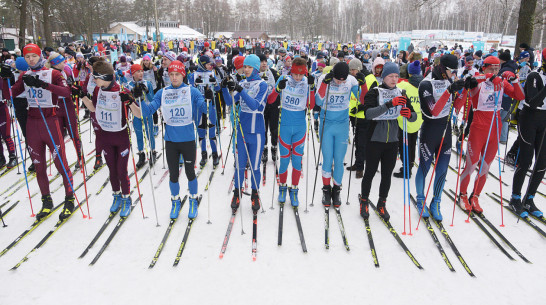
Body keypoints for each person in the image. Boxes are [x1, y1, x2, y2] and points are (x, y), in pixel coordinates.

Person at [7, 44, 75, 220]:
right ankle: (46, 200)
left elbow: (66, 92)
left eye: (34, 56)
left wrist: (43, 85)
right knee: (39, 166)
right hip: (32, 123)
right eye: (27, 57)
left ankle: (69, 198)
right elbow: (10, 94)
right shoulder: (24, 75)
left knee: (60, 163)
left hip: (50, 121)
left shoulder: (53, 74)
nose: (31, 59)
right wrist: (5, 78)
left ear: (40, 57)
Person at [137, 60, 207, 220]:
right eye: (171, 75)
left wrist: (208, 99)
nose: (174, 78)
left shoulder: (192, 91)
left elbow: (205, 108)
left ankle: (193, 200)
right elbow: (148, 111)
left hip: (188, 139)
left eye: (177, 74)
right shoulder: (163, 92)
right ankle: (175, 201)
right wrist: (140, 98)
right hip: (171, 141)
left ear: (183, 75)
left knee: (190, 173)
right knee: (173, 174)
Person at [457, 56, 525, 213]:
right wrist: (490, 77)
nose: (494, 72)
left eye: (497, 69)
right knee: (471, 165)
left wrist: (514, 80)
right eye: (491, 69)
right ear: (484, 68)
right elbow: (470, 81)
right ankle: (463, 195)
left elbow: (520, 97)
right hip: (478, 129)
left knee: (485, 167)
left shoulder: (501, 82)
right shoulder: (478, 81)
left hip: (495, 129)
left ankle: (475, 196)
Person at [359, 62, 417, 221]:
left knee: (386, 175)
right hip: (374, 139)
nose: (394, 79)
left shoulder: (401, 92)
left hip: (392, 140)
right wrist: (389, 104)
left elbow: (414, 115)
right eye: (391, 76)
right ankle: (364, 201)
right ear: (384, 76)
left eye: (397, 76)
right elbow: (368, 114)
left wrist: (408, 114)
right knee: (370, 172)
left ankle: (381, 203)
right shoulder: (375, 92)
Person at [81, 60, 140, 217]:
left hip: (121, 137)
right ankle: (117, 196)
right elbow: (93, 108)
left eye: (95, 77)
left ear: (104, 76)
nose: (93, 80)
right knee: (112, 171)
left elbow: (139, 114)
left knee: (121, 171)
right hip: (105, 136)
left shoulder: (122, 89)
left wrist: (129, 101)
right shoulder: (97, 90)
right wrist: (82, 97)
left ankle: (127, 198)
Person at [414, 55, 465, 221]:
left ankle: (436, 202)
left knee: (442, 170)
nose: (453, 74)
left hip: (445, 131)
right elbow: (433, 111)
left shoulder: (449, 81)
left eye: (455, 71)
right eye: (451, 71)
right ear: (442, 68)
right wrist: (449, 91)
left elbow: (456, 107)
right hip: (430, 131)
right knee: (424, 167)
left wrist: (464, 91)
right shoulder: (426, 84)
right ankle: (420, 200)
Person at [266, 58, 315, 206]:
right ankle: (282, 187)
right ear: (291, 71)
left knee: (296, 162)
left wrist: (312, 88)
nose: (298, 78)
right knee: (284, 160)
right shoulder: (283, 79)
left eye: (301, 75)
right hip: (285, 126)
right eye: (295, 74)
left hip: (300, 126)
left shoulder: (307, 82)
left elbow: (311, 105)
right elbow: (270, 100)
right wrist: (277, 89)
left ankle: (294, 190)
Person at [223, 54, 268, 212]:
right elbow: (230, 102)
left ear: (256, 68)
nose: (246, 69)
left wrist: (240, 90)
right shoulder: (241, 82)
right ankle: (237, 192)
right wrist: (224, 88)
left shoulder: (262, 85)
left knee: (255, 165)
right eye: (245, 67)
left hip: (256, 131)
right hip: (241, 130)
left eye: (250, 67)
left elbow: (255, 105)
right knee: (240, 165)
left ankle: (255, 193)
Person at [315, 62, 361, 207]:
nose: (340, 82)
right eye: (338, 79)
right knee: (328, 159)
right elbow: (318, 101)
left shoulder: (351, 81)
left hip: (341, 125)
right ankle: (326, 190)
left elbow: (363, 99)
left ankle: (336, 190)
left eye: (343, 80)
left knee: (339, 160)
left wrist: (363, 84)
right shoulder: (324, 78)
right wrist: (324, 84)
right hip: (327, 124)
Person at [509, 48, 546, 218]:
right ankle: (515, 197)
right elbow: (531, 102)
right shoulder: (534, 76)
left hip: (544, 120)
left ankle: (529, 199)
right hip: (529, 118)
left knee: (542, 163)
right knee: (526, 160)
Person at [47, 52, 84, 170]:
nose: (65, 63)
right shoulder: (49, 73)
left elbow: (72, 85)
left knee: (73, 133)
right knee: (59, 136)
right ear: (56, 63)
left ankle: (80, 157)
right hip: (56, 105)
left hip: (67, 104)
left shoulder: (67, 71)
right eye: (63, 62)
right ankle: (62, 161)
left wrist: (73, 88)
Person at [392, 60, 423, 179]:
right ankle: (409, 166)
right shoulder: (423, 84)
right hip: (417, 121)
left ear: (409, 73)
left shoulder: (404, 86)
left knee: (403, 145)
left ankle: (406, 170)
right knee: (412, 144)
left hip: (404, 121)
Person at [188, 55, 221, 168]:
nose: (210, 66)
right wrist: (195, 85)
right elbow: (190, 92)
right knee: (201, 132)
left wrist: (215, 83)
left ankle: (215, 153)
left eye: (210, 64)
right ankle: (203, 154)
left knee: (212, 132)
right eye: (207, 64)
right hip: (198, 107)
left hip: (210, 106)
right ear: (202, 64)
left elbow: (218, 89)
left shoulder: (211, 73)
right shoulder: (193, 75)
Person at [127, 63, 157, 168]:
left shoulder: (147, 83)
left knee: (149, 133)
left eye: (141, 71)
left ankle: (153, 152)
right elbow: (127, 100)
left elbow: (153, 99)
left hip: (146, 112)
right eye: (137, 71)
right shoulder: (129, 85)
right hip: (136, 114)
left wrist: (147, 91)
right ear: (133, 74)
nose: (140, 73)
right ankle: (141, 154)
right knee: (139, 134)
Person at [259, 53, 280, 163]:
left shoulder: (273, 72)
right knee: (263, 128)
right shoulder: (255, 74)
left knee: (274, 128)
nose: (264, 63)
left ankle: (274, 147)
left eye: (265, 61)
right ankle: (264, 149)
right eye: (261, 61)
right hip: (261, 106)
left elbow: (279, 85)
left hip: (273, 104)